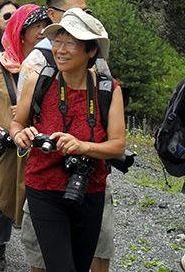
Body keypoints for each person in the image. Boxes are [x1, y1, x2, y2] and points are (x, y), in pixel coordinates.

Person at [10, 8, 125, 272]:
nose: (60, 50)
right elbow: (17, 122)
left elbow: (117, 145)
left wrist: (83, 146)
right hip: (44, 187)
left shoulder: (108, 90)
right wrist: (20, 134)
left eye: (70, 43)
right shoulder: (41, 80)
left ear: (91, 51)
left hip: (89, 189)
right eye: (57, 42)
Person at [0, 5, 50, 271]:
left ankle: (39, 257)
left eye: (45, 25)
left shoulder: (51, 64)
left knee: (40, 199)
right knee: (2, 196)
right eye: (36, 26)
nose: (42, 31)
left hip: (39, 146)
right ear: (21, 30)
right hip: (7, 146)